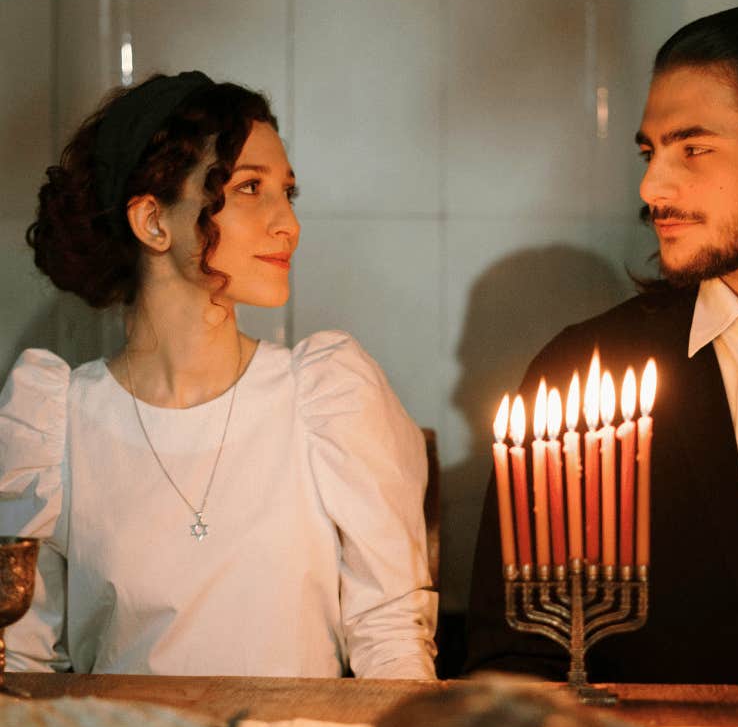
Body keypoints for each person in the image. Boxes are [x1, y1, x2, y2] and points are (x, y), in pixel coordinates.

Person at [0, 72, 437, 678]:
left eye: (289, 192)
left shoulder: (327, 397)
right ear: (153, 221)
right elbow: (19, 666)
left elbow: (392, 639)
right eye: (251, 187)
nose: (290, 224)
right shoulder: (52, 422)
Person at [466, 3, 738, 684]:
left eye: (693, 148)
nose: (651, 188)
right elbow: (519, 658)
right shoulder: (585, 374)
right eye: (650, 152)